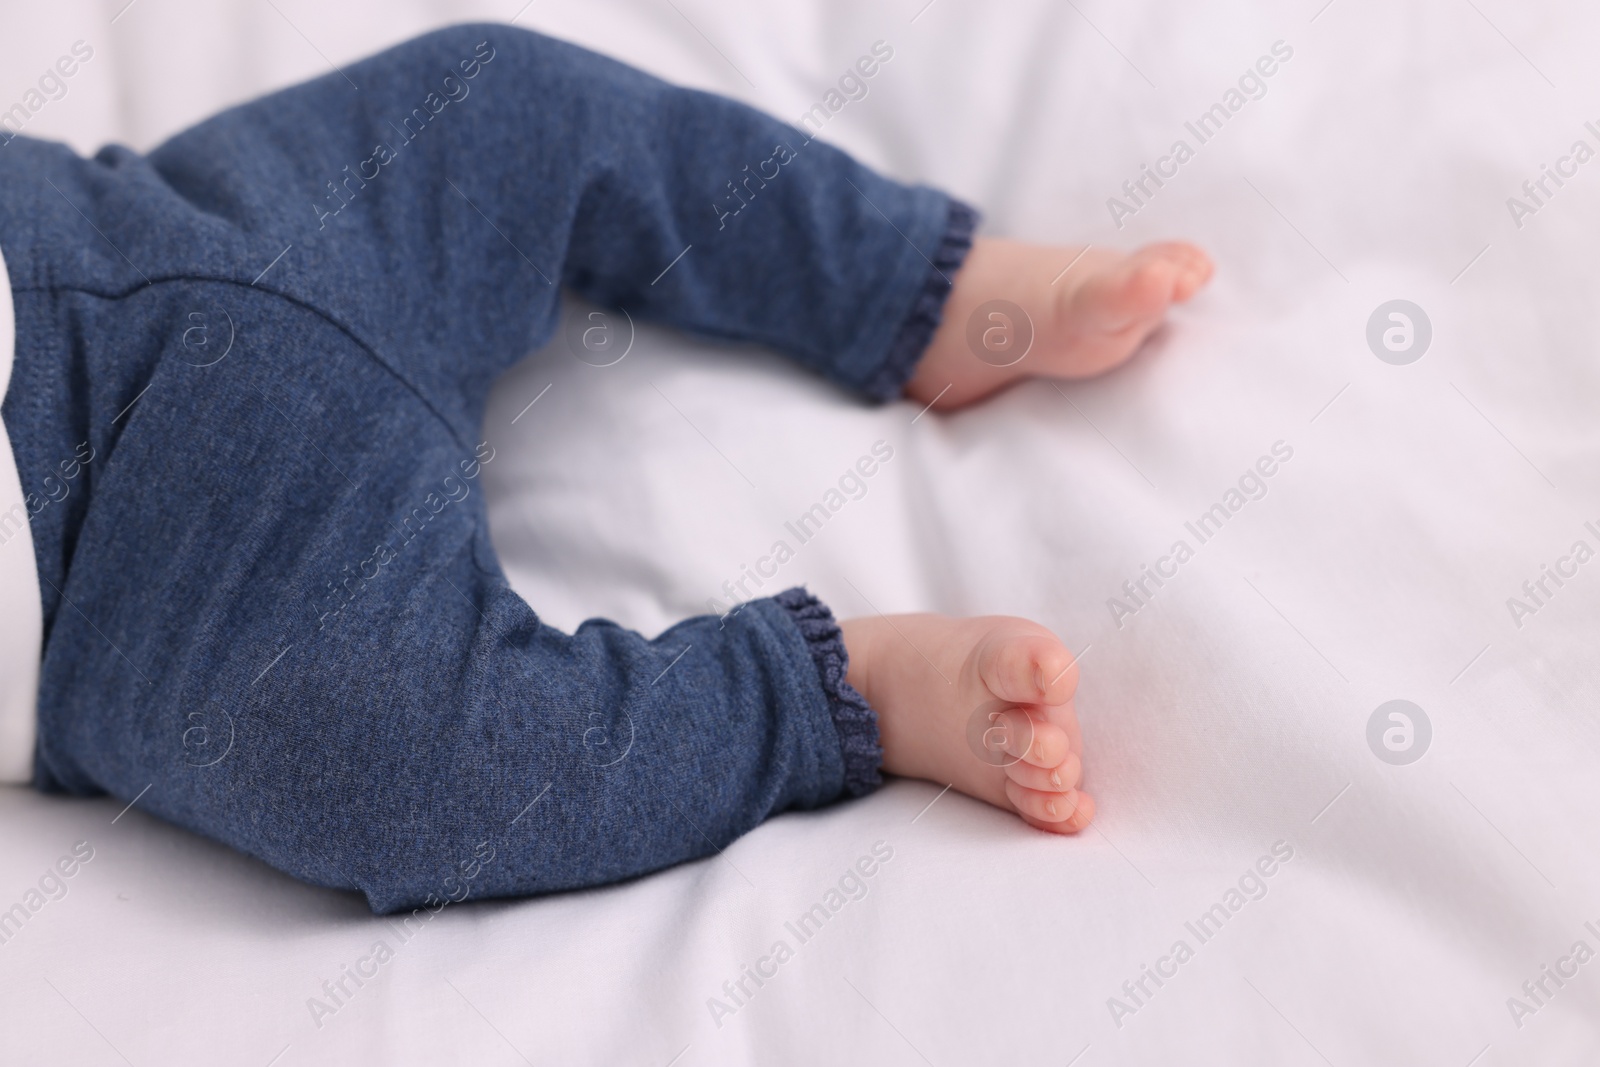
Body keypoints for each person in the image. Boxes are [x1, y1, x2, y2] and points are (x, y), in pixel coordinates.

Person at [0, 24, 1211, 913]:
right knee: (427, 776)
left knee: (503, 99)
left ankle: (908, 282)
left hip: (154, 216)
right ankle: (839, 691)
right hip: (133, 581)